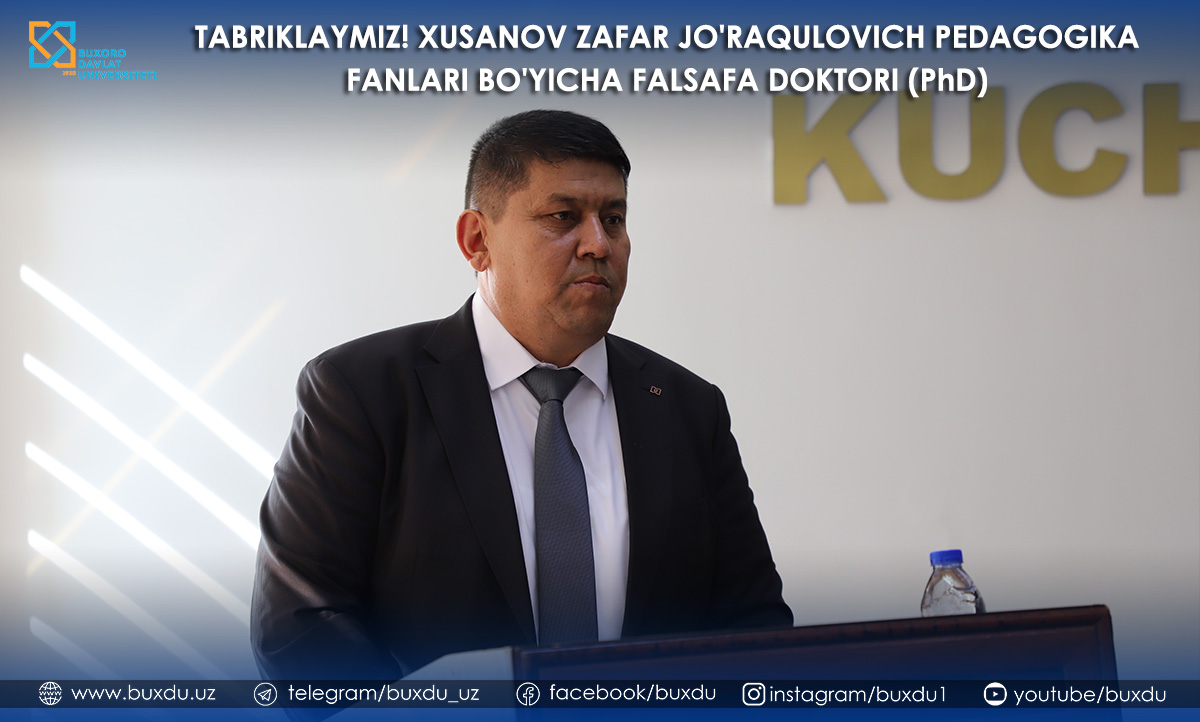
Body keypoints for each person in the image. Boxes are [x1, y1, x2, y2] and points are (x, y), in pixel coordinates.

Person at [251, 110, 792, 681]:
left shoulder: (688, 408)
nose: (598, 244)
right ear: (477, 240)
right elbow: (300, 626)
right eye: (563, 217)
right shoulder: (361, 392)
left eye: (613, 219)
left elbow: (754, 627)